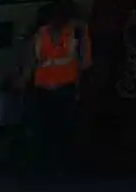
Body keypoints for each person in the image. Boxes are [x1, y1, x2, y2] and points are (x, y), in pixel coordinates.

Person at [27, 0, 93, 169]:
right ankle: (46, 164)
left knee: (56, 129)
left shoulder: (74, 34)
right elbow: (32, 60)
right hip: (46, 88)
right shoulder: (42, 34)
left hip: (62, 87)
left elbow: (85, 62)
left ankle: (53, 164)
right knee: (48, 129)